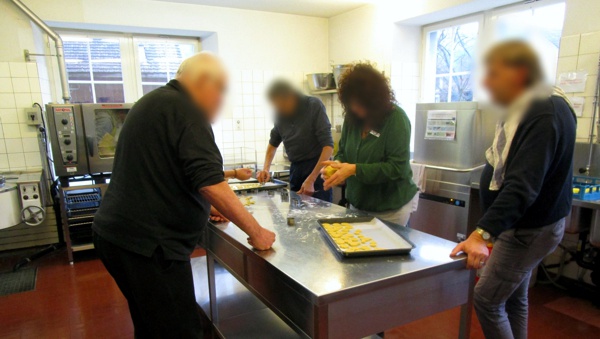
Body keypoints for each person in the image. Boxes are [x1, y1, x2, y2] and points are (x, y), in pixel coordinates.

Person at [92, 52, 276, 339]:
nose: (220, 101)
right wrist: (256, 231)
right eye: (221, 91)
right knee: (180, 331)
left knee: (152, 324)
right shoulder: (187, 111)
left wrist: (204, 209)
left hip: (119, 238)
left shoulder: (155, 102)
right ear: (204, 82)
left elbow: (172, 173)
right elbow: (209, 182)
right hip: (149, 246)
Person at [450, 40, 576, 339]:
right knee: (514, 298)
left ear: (520, 73)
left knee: (487, 299)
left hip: (528, 230)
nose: (486, 82)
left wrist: (481, 234)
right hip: (522, 226)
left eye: (493, 74)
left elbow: (523, 185)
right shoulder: (530, 107)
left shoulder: (543, 112)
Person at [321, 62, 418, 226]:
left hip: (390, 209)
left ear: (376, 100)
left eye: (361, 104)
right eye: (352, 104)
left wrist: (354, 169)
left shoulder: (396, 120)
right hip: (358, 204)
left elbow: (396, 168)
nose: (356, 109)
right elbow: (343, 151)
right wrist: (338, 165)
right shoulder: (352, 119)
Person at [256, 80, 334, 202]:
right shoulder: (280, 114)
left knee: (319, 214)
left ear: (291, 97)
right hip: (296, 169)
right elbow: (273, 142)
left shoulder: (313, 106)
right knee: (296, 215)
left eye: (281, 106)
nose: (279, 110)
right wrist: (266, 168)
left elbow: (328, 147)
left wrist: (312, 179)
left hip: (317, 170)